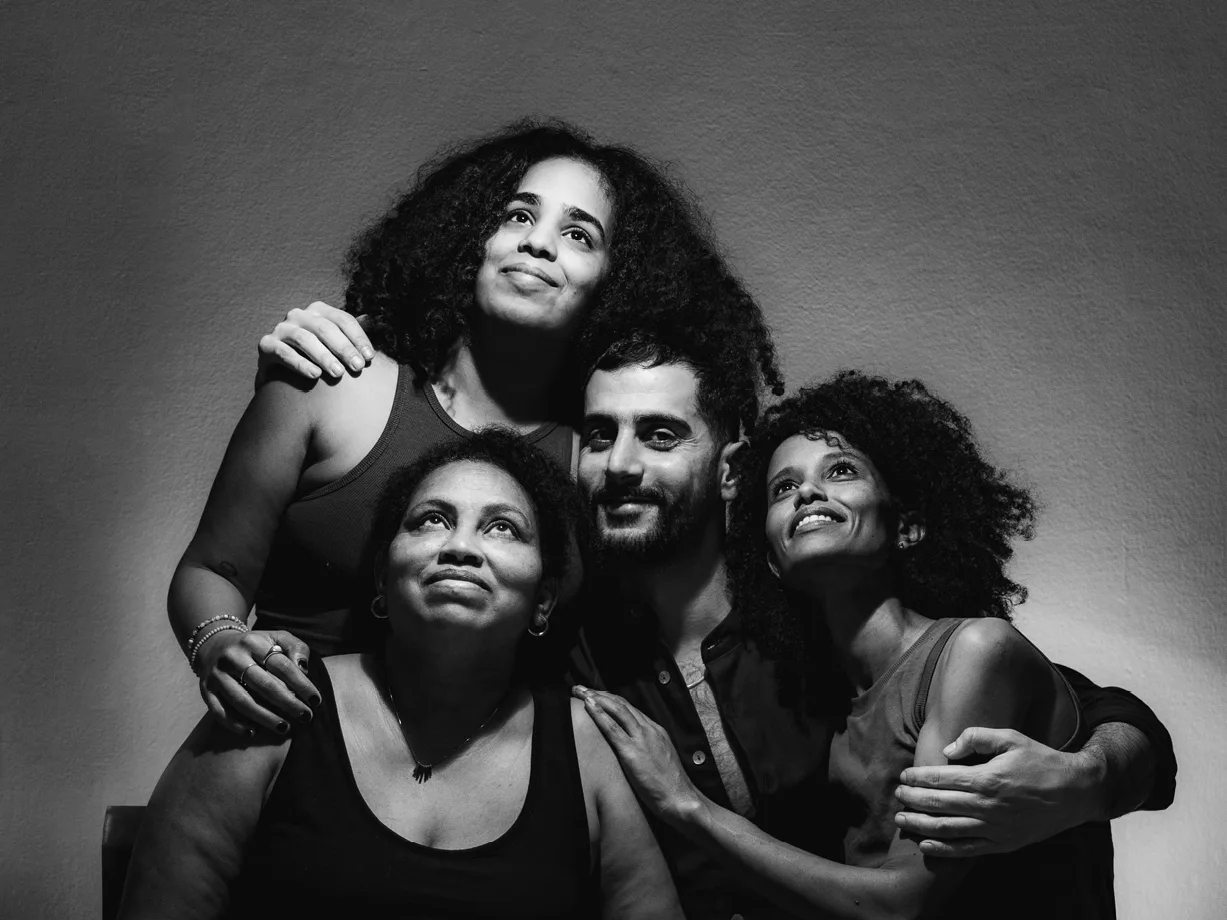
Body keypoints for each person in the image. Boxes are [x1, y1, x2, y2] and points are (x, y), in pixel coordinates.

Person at [276, 318, 1175, 917]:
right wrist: (242, 643)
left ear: (731, 464)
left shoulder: (819, 604)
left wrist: (1090, 778)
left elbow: (1103, 717)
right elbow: (407, 657)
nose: (620, 466)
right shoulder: (566, 645)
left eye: (660, 435)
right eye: (599, 436)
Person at [168, 118, 777, 737]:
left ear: (616, 282)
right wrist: (219, 644)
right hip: (284, 746)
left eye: (578, 234)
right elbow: (211, 569)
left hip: (488, 782)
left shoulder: (596, 460)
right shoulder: (331, 381)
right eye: (517, 215)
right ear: (469, 238)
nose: (538, 243)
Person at [576, 369, 1131, 917]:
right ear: (771, 560)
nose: (807, 491)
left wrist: (685, 804)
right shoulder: (827, 700)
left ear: (907, 527)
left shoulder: (975, 649)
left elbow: (901, 906)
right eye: (783, 487)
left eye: (840, 471)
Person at [121, 430, 683, 920]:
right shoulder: (275, 699)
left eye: (502, 528)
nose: (460, 547)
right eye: (432, 520)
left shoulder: (589, 748)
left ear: (543, 602)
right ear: (382, 580)